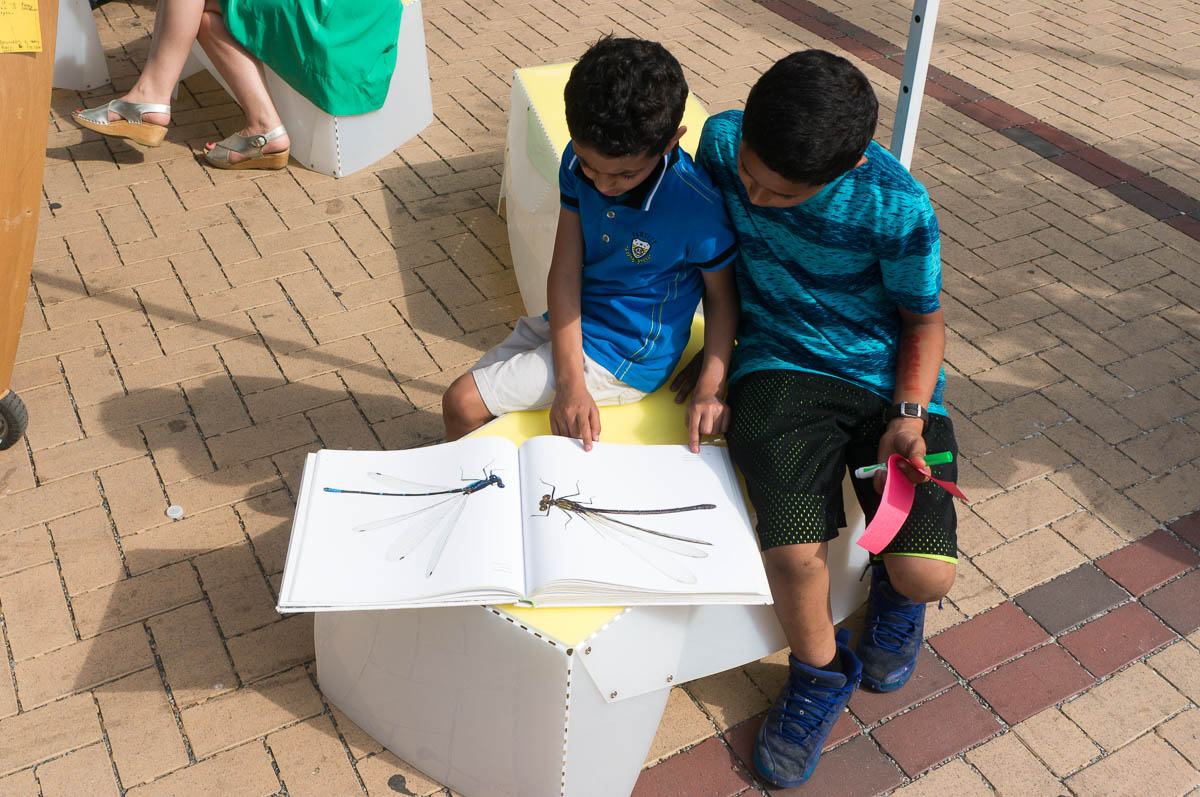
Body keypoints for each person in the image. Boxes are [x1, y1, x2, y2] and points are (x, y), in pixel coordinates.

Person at [680, 50, 958, 788]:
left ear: (853, 163)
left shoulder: (897, 205)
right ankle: (819, 671)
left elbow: (923, 325)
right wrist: (708, 359)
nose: (755, 196)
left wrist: (907, 415)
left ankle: (895, 593)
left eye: (780, 193)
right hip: (777, 363)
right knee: (795, 554)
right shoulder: (717, 140)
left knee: (928, 574)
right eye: (748, 176)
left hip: (883, 379)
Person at [442, 37, 739, 453]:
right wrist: (568, 382)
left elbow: (723, 299)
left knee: (461, 402)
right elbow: (564, 270)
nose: (602, 185)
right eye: (589, 166)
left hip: (627, 355)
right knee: (469, 403)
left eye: (624, 175)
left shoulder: (697, 208)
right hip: (570, 318)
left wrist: (711, 385)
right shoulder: (575, 159)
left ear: (672, 140)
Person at [72, 0, 400, 170]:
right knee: (202, 16)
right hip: (367, 14)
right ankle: (265, 130)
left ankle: (150, 99)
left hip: (331, 20)